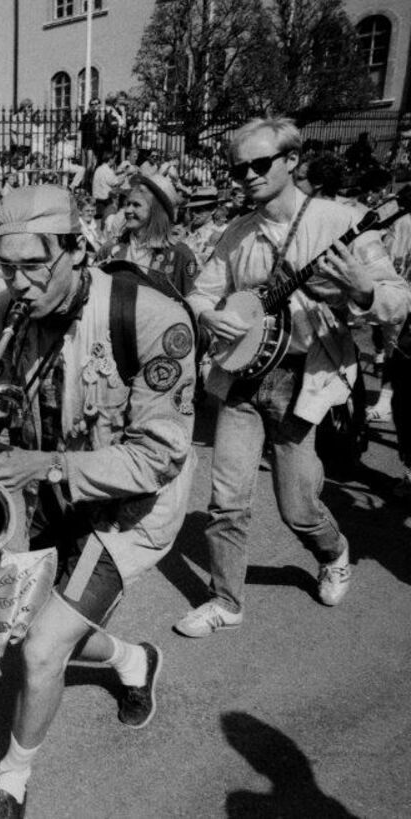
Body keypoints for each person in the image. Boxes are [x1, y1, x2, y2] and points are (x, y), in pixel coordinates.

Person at [0, 184, 196, 818]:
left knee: (43, 648)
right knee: (24, 625)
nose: (16, 283)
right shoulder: (6, 310)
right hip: (48, 489)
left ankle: (13, 778)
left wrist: (46, 464)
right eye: (4, 266)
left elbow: (160, 456)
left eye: (32, 265)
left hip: (130, 509)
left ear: (77, 249)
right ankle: (133, 659)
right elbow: (0, 406)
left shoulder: (151, 317)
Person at [177, 117, 410, 638]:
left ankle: (333, 551)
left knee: (298, 506)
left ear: (290, 161)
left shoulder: (340, 222)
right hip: (240, 376)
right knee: (226, 500)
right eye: (240, 168)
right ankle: (226, 600)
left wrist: (362, 291)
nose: (249, 176)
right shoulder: (236, 233)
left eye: (260, 164)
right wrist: (207, 314)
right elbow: (198, 292)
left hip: (300, 379)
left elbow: (398, 300)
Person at [95, 173, 199, 297]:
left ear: (156, 210)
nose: (128, 210)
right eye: (127, 204)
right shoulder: (110, 249)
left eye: (136, 205)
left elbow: (192, 301)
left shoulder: (180, 255)